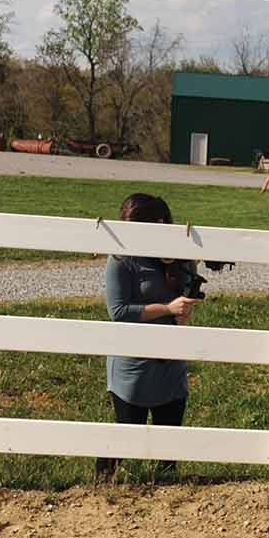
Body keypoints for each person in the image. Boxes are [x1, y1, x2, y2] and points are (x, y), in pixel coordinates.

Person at [96, 193, 197, 480]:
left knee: (169, 441)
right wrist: (166, 308)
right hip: (133, 364)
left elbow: (188, 295)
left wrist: (184, 313)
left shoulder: (180, 256)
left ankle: (168, 490)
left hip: (170, 361)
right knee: (127, 433)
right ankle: (103, 483)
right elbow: (118, 311)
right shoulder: (121, 259)